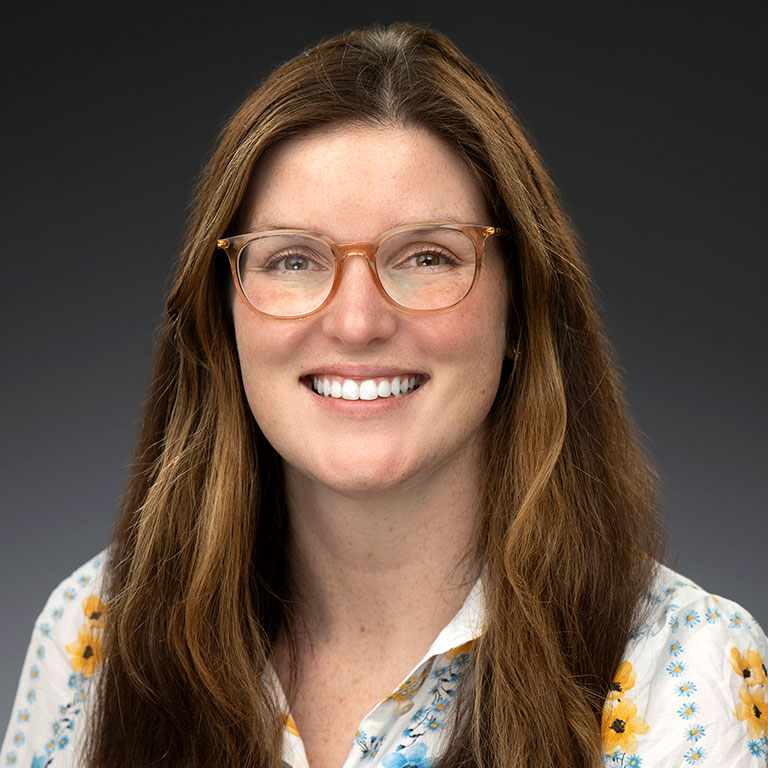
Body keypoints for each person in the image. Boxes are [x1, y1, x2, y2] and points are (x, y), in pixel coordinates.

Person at [2, 22, 766, 768]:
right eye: (294, 260)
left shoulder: (692, 673)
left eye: (427, 256)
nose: (358, 321)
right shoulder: (95, 631)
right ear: (222, 317)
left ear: (520, 307)